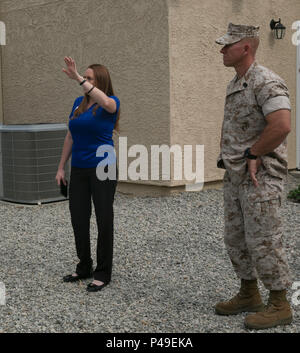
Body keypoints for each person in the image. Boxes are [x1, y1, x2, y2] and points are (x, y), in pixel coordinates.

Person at [215, 23, 293, 329]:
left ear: (245, 47)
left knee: (264, 240)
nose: (222, 50)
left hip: (262, 179)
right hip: (236, 177)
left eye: (227, 45)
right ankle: (249, 293)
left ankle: (279, 304)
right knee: (236, 238)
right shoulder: (236, 83)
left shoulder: (267, 81)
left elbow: (282, 125)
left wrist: (254, 153)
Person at [56, 57, 120, 292]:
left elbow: (108, 104)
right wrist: (62, 167)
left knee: (104, 220)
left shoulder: (110, 102)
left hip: (104, 167)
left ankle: (103, 272)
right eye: (84, 77)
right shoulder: (77, 103)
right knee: (79, 218)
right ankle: (84, 266)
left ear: (100, 82)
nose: (83, 81)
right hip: (80, 169)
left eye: (89, 78)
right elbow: (70, 136)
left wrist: (78, 78)